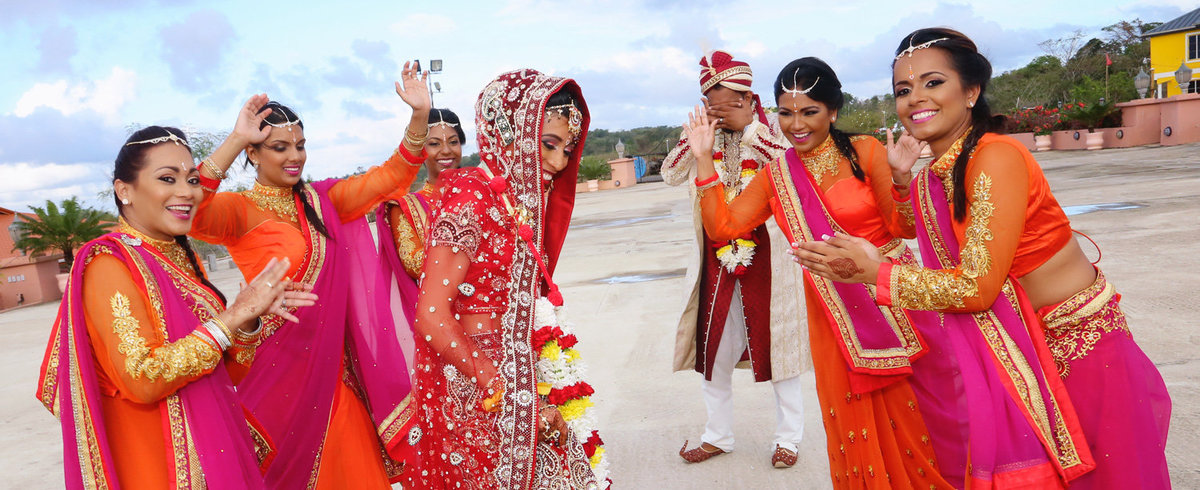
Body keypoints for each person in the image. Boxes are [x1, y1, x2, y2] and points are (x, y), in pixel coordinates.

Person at [798, 27, 1170, 488]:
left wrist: (875, 272)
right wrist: (899, 180)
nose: (916, 98)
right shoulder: (936, 170)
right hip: (1019, 350)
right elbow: (918, 227)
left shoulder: (996, 157)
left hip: (1078, 346)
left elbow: (976, 287)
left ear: (971, 91)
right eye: (903, 89)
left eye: (933, 82)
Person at [686, 58, 956, 488]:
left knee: (924, 415)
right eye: (786, 113)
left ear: (832, 111)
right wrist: (703, 160)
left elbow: (903, 228)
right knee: (850, 420)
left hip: (894, 299)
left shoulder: (865, 151)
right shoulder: (777, 176)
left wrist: (903, 179)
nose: (797, 125)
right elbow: (723, 227)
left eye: (809, 112)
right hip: (833, 313)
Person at [188, 62, 430, 488]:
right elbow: (194, 210)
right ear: (254, 153)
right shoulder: (239, 211)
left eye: (300, 145)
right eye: (280, 147)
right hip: (272, 368)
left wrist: (418, 117)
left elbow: (390, 177)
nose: (295, 156)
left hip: (333, 374)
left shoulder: (325, 202)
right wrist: (235, 138)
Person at [36, 126, 316, 489]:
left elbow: (222, 373)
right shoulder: (109, 262)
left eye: (193, 179)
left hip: (213, 451)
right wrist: (231, 316)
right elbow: (143, 377)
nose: (187, 192)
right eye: (167, 178)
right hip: (161, 465)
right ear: (124, 191)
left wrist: (249, 318)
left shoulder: (179, 260)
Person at [397, 69, 607, 489]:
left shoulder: (520, 203)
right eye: (549, 144)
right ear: (511, 135)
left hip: (524, 369)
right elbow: (431, 314)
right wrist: (507, 389)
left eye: (567, 149)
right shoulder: (471, 194)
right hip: (477, 386)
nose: (559, 161)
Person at [665, 50, 809, 468]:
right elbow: (673, 175)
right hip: (716, 257)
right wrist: (696, 146)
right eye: (714, 105)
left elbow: (792, 168)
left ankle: (789, 439)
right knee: (713, 354)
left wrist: (748, 132)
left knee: (782, 352)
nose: (722, 112)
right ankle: (718, 436)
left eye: (731, 103)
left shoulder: (774, 133)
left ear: (750, 101)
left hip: (770, 257)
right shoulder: (698, 135)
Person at [377, 108, 467, 323]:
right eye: (434, 144)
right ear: (421, 150)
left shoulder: (483, 192)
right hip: (441, 321)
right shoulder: (405, 206)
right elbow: (416, 265)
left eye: (453, 142)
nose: (446, 151)